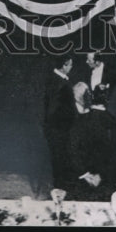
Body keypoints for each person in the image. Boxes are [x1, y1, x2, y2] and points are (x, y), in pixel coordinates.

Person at [43, 55, 77, 189]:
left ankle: (59, 185)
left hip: (53, 127)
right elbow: (54, 108)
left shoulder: (52, 79)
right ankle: (60, 187)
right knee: (60, 158)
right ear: (64, 66)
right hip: (60, 128)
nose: (71, 67)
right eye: (70, 65)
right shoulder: (61, 83)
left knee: (57, 157)